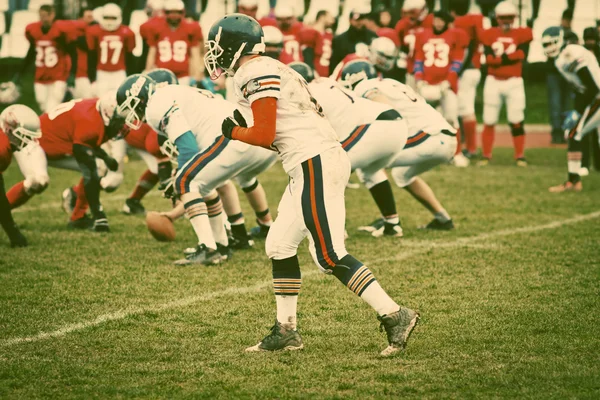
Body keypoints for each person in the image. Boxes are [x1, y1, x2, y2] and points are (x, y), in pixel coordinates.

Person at [204, 13, 419, 356]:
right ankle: (286, 331)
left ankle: (395, 314)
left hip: (313, 161)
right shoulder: (269, 66)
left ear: (234, 46)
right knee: (278, 244)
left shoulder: (253, 70)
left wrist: (232, 131)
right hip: (311, 161)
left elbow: (263, 134)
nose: (214, 54)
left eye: (217, 46)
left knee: (328, 255)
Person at [116, 74, 277, 264]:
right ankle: (221, 246)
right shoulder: (175, 92)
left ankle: (207, 248)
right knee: (205, 185)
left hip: (233, 137)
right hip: (256, 139)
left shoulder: (155, 105)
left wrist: (179, 177)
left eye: (131, 106)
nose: (132, 114)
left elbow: (188, 147)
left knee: (186, 181)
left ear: (139, 97)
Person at [339, 60, 457, 232]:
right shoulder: (390, 83)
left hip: (429, 137)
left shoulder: (364, 86)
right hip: (443, 137)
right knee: (402, 175)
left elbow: (389, 109)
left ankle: (391, 223)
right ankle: (443, 219)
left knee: (368, 166)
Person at [307, 73, 409, 237]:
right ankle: (393, 224)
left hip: (373, 125)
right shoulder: (327, 83)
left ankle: (336, 230)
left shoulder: (308, 91)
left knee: (327, 171)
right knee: (370, 171)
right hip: (396, 124)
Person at [6, 93, 124, 231]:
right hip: (35, 142)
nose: (121, 125)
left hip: (58, 143)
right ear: (107, 116)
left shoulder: (99, 109)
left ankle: (78, 217)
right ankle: (3, 213)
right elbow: (88, 169)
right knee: (38, 181)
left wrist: (105, 158)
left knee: (99, 168)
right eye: (118, 121)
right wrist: (100, 215)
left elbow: (88, 142)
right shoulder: (90, 121)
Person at [542, 27, 600, 192]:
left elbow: (591, 86)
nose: (549, 47)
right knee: (575, 133)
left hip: (597, 96)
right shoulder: (562, 57)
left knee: (574, 132)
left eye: (552, 43)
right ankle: (574, 181)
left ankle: (573, 181)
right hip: (594, 96)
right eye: (546, 44)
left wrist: (578, 112)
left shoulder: (570, 54)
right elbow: (582, 88)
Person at [479, 1, 533, 166]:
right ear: (497, 18)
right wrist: (508, 58)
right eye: (503, 17)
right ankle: (486, 155)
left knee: (516, 118)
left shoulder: (523, 33)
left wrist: (499, 60)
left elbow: (522, 55)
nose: (507, 21)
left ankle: (519, 155)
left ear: (515, 17)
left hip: (514, 81)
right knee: (489, 119)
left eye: (510, 17)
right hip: (493, 80)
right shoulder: (489, 34)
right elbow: (488, 60)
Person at [413, 10, 469, 167]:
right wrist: (419, 79)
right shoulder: (423, 35)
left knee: (451, 119)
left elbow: (458, 61)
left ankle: (456, 153)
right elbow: (418, 58)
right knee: (423, 121)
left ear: (446, 22)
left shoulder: (455, 35)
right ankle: (424, 153)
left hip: (446, 85)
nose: (437, 23)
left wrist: (448, 82)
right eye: (436, 19)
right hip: (426, 83)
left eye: (441, 20)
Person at [19, 4, 77, 112]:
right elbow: (31, 52)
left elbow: (73, 53)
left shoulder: (60, 31)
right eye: (42, 16)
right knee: (42, 104)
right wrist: (20, 73)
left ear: (53, 15)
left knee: (53, 106)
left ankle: (51, 128)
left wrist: (72, 74)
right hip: (41, 76)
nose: (44, 19)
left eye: (47, 16)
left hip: (58, 75)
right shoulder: (34, 31)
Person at [0, 105, 42, 248]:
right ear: (10, 129)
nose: (28, 141)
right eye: (25, 136)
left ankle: (14, 236)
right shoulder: (2, 149)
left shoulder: (4, 143)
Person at [451, 0, 485, 158]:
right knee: (465, 109)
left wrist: (457, 71)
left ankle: (469, 148)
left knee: (463, 109)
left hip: (466, 69)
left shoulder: (461, 23)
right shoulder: (475, 19)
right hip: (474, 68)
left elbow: (467, 48)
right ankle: (469, 146)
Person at [145, 0, 204, 86]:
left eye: (177, 12)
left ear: (183, 13)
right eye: (170, 12)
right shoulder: (156, 28)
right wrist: (148, 71)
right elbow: (152, 52)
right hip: (162, 75)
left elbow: (195, 54)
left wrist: (197, 73)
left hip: (183, 75)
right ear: (165, 13)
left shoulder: (191, 28)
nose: (174, 16)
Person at [87, 3, 136, 96]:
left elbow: (130, 57)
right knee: (101, 100)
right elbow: (92, 56)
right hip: (101, 72)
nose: (109, 21)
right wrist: (92, 78)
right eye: (107, 17)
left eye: (113, 18)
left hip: (120, 72)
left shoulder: (127, 32)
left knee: (121, 98)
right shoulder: (95, 31)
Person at [394, 0, 433, 88]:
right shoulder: (402, 25)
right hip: (410, 69)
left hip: (429, 70)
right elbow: (399, 45)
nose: (409, 16)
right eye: (407, 13)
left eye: (412, 12)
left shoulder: (431, 22)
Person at [330, 7, 378, 75]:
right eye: (357, 20)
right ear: (350, 20)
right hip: (347, 77)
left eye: (362, 19)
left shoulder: (372, 36)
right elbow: (334, 64)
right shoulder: (340, 40)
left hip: (370, 75)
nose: (360, 22)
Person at [298, 10, 335, 77]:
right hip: (314, 74)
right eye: (330, 17)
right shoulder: (311, 32)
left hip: (326, 73)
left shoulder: (328, 35)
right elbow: (307, 55)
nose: (333, 21)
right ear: (322, 17)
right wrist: (312, 72)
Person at [70, 7, 95, 99]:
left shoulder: (95, 30)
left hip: (92, 73)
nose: (91, 20)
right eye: (88, 17)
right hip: (80, 73)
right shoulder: (77, 31)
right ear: (80, 18)